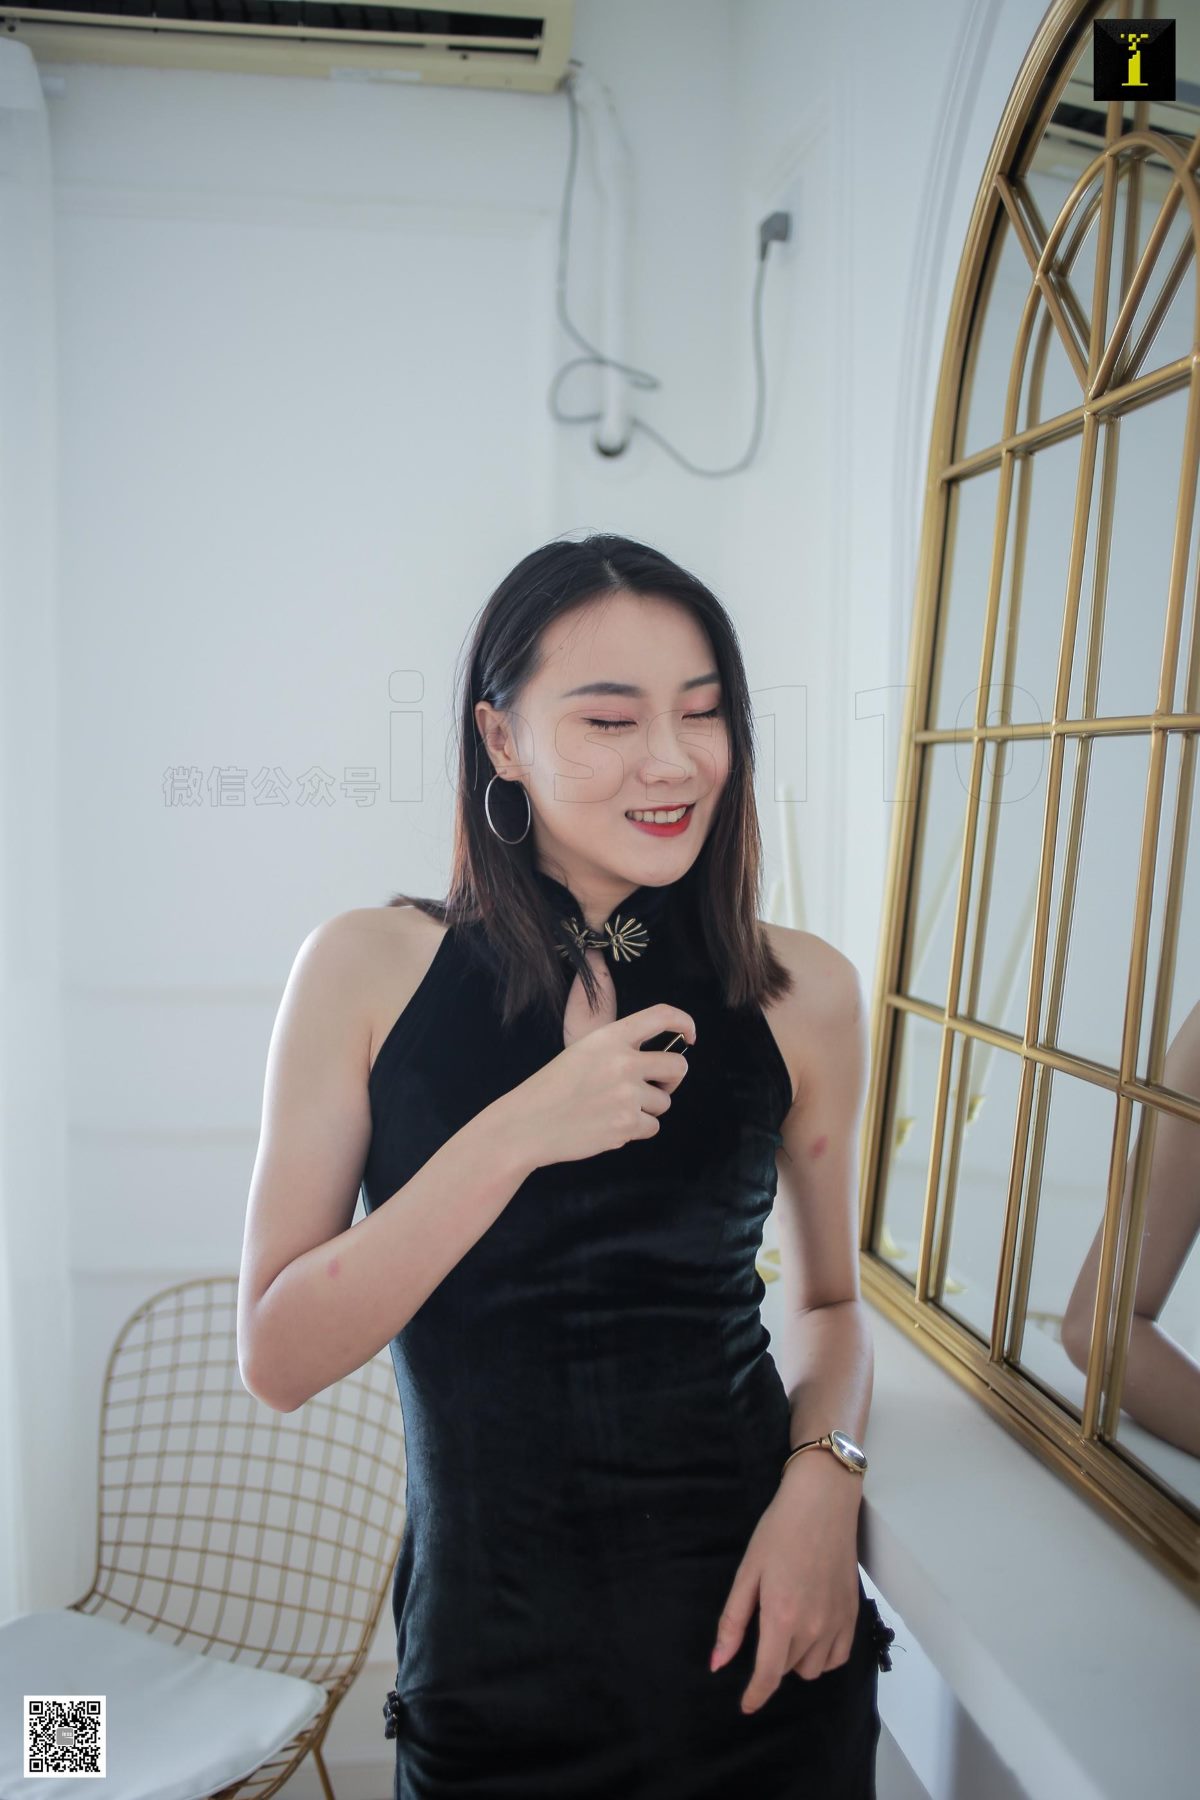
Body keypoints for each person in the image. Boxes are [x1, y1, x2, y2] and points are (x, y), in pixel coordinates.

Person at [237, 532, 895, 1798]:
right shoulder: (367, 970)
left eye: (703, 712)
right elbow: (279, 1355)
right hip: (493, 1681)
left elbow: (829, 1305)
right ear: (500, 739)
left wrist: (825, 1488)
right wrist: (522, 1128)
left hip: (761, 1652)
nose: (673, 760)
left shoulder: (802, 991)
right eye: (610, 720)